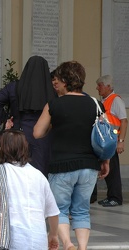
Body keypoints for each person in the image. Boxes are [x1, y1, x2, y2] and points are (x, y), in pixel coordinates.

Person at [33, 61, 110, 250]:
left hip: (61, 166)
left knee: (59, 209)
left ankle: (67, 244)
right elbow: (105, 136)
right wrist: (105, 161)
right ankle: (82, 248)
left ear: (65, 81)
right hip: (89, 165)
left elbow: (37, 133)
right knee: (82, 210)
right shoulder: (96, 104)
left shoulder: (54, 105)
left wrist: (54, 124)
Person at [0, 129, 60, 250]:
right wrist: (53, 235)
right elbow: (53, 212)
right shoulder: (39, 176)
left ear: (1, 149)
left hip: (7, 242)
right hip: (38, 242)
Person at [0, 55, 57, 176]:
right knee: (41, 173)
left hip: (18, 136)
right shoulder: (53, 90)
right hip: (44, 136)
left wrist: (6, 120)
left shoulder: (14, 87)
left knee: (18, 172)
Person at [94, 75, 127, 207]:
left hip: (113, 140)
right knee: (107, 169)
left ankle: (116, 198)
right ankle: (111, 196)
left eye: (100, 85)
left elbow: (124, 121)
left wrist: (121, 141)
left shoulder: (116, 100)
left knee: (112, 170)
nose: (97, 88)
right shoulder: (105, 100)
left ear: (108, 86)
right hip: (106, 140)